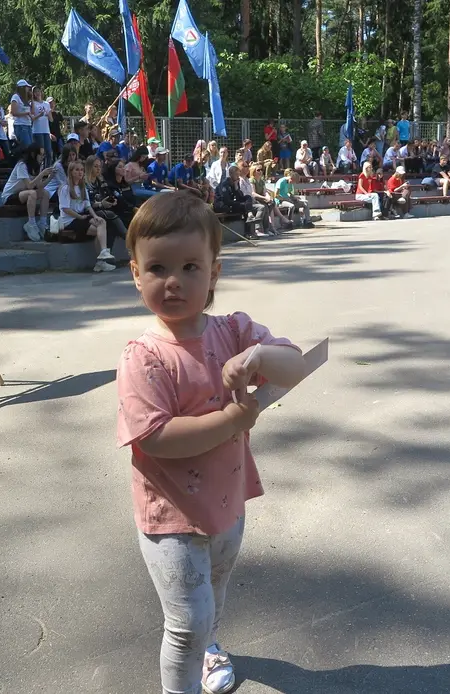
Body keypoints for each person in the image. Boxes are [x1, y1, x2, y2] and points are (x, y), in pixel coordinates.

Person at [116, 191, 306, 694]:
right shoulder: (143, 357)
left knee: (213, 598)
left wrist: (260, 356)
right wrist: (234, 417)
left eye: (190, 267)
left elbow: (296, 364)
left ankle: (210, 645)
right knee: (184, 624)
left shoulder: (235, 331)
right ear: (136, 275)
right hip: (170, 516)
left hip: (227, 504)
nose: (173, 280)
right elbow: (155, 438)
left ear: (214, 273)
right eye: (157, 267)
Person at [58, 160, 114, 272]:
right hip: (70, 221)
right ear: (71, 172)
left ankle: (103, 254)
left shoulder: (82, 187)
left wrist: (94, 216)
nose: (80, 172)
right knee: (99, 231)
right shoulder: (65, 188)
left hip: (82, 216)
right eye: (77, 170)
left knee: (101, 222)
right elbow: (65, 209)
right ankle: (101, 260)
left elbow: (88, 205)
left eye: (82, 170)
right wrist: (79, 217)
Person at [2, 144, 54, 241]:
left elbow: (39, 186)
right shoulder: (22, 165)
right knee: (32, 193)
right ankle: (31, 223)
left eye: (44, 155)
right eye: (41, 155)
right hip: (10, 196)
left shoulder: (37, 167)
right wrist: (42, 174)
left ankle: (42, 223)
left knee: (45, 193)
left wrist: (50, 177)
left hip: (23, 194)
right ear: (34, 154)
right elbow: (29, 185)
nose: (43, 157)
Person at [84, 155, 127, 261]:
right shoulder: (84, 183)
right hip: (88, 212)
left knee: (111, 225)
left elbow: (105, 195)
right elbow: (85, 204)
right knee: (110, 215)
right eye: (95, 166)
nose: (98, 169)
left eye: (99, 166)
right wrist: (100, 204)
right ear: (89, 167)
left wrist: (110, 201)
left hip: (101, 210)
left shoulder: (100, 181)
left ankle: (106, 258)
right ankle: (129, 239)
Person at [249, 165, 287, 232]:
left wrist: (268, 197)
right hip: (255, 200)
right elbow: (253, 194)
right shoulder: (252, 180)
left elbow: (265, 192)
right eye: (258, 170)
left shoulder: (261, 181)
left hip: (262, 199)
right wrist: (265, 198)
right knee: (266, 206)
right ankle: (269, 227)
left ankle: (271, 227)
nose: (260, 171)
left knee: (271, 203)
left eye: (261, 170)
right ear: (253, 171)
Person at [236, 163, 270, 236]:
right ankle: (256, 229)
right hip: (244, 203)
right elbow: (244, 194)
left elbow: (250, 193)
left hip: (250, 201)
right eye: (245, 166)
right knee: (261, 207)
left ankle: (266, 229)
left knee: (265, 206)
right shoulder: (239, 180)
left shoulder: (247, 180)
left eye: (248, 166)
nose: (247, 167)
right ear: (240, 169)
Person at [30, 86, 53, 166]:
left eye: (39, 91)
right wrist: (39, 115)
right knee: (40, 152)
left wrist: (47, 113)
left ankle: (47, 169)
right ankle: (38, 169)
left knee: (49, 152)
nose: (38, 93)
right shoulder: (32, 103)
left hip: (46, 130)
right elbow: (32, 118)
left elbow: (51, 119)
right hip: (37, 130)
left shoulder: (46, 104)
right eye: (35, 92)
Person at [9, 79, 34, 146]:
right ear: (22, 88)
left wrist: (32, 99)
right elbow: (13, 112)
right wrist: (26, 113)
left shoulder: (26, 99)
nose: (28, 89)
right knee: (27, 146)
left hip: (28, 125)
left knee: (31, 147)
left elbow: (33, 111)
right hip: (20, 125)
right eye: (27, 87)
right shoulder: (15, 97)